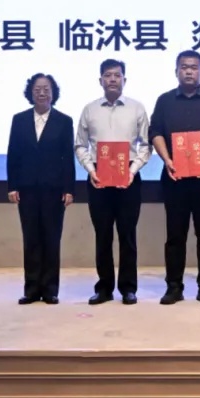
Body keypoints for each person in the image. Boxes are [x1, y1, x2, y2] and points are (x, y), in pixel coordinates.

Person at [149, 50, 200, 305]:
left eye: (194, 67)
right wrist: (167, 160)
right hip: (174, 177)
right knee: (175, 235)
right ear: (176, 71)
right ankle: (174, 287)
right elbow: (155, 132)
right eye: (184, 67)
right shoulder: (164, 100)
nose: (189, 71)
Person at [74, 59, 151, 306]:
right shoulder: (89, 110)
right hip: (98, 178)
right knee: (103, 235)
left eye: (117, 75)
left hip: (129, 176)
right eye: (108, 75)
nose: (113, 79)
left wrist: (132, 170)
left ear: (124, 80)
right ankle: (104, 288)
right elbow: (80, 145)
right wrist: (90, 169)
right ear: (100, 80)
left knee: (127, 235)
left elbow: (146, 145)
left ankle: (128, 288)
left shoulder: (137, 108)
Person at [6, 73, 75, 305]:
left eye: (46, 89)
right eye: (37, 89)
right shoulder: (19, 120)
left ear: (53, 93)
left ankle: (50, 290)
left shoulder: (64, 121)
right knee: (31, 239)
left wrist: (69, 189)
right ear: (30, 93)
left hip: (54, 190)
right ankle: (32, 289)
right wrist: (12, 185)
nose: (42, 93)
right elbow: (13, 154)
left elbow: (67, 157)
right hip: (27, 189)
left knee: (52, 239)